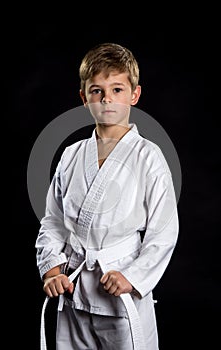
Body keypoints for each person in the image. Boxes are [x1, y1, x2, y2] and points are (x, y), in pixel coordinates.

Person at [36, 42, 179, 350]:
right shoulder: (71, 155)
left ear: (134, 95)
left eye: (117, 89)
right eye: (97, 90)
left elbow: (164, 233)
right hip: (73, 290)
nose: (107, 100)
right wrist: (52, 268)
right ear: (84, 98)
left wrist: (133, 277)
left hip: (119, 289)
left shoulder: (148, 157)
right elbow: (54, 221)